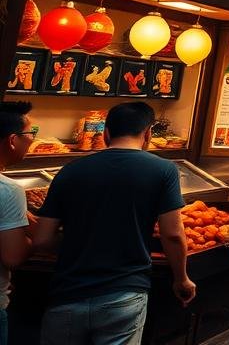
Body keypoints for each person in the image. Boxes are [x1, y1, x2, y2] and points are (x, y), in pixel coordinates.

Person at [33, 101, 195, 345]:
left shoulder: (70, 171)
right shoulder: (163, 170)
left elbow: (43, 238)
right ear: (148, 134)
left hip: (67, 293)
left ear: (106, 133)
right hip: (124, 292)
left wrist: (79, 243)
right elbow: (172, 233)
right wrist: (181, 278)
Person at [0, 102, 35, 345]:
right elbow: (13, 256)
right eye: (31, 134)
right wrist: (40, 236)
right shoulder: (8, 190)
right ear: (13, 140)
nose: (32, 140)